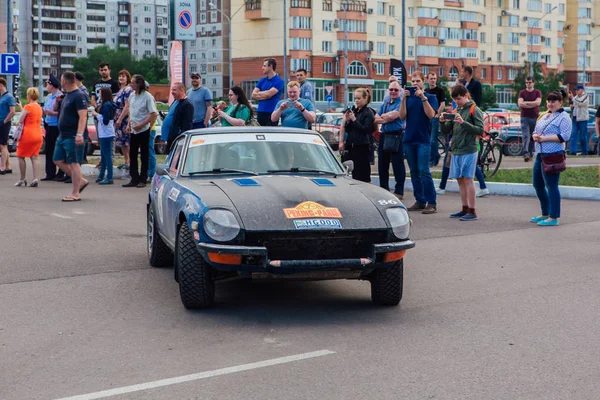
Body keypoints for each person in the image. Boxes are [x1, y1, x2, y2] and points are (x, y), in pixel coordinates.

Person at [440, 85, 484, 221]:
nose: (457, 101)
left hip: (469, 149)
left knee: (468, 179)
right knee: (460, 180)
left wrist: (463, 122)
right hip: (457, 149)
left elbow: (480, 130)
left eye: (459, 98)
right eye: (455, 99)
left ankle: (472, 210)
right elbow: (447, 130)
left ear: (466, 95)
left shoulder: (474, 109)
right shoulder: (456, 109)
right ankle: (464, 208)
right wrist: (442, 122)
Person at [399, 71, 439, 214]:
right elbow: (401, 116)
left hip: (423, 140)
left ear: (423, 82)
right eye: (413, 81)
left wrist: (423, 97)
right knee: (414, 172)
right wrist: (403, 99)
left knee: (424, 171)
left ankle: (432, 202)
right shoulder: (408, 98)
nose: (415, 84)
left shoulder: (430, 97)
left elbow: (431, 115)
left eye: (418, 81)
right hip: (409, 139)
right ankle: (420, 200)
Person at [530, 91, 571, 226]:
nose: (550, 104)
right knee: (538, 184)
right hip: (540, 154)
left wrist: (544, 139)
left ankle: (554, 217)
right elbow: (536, 129)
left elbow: (563, 137)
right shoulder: (545, 115)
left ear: (560, 102)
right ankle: (545, 213)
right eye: (548, 101)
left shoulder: (564, 117)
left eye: (553, 101)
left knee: (551, 186)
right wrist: (535, 136)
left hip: (553, 155)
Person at [53, 71, 89, 202]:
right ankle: (81, 181)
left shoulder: (79, 95)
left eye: (61, 80)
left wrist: (79, 134)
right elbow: (57, 110)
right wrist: (58, 102)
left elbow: (83, 116)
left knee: (74, 163)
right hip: (62, 135)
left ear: (64, 82)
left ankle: (75, 193)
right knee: (58, 160)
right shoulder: (67, 95)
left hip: (73, 135)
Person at [123, 74, 157, 188]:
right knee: (132, 154)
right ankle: (134, 178)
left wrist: (142, 124)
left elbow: (153, 113)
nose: (131, 84)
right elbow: (130, 111)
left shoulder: (147, 97)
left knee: (144, 154)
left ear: (139, 84)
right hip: (133, 129)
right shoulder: (132, 96)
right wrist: (128, 124)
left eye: (133, 82)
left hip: (143, 129)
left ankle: (143, 178)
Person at [374, 80, 405, 199]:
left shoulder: (401, 103)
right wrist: (386, 117)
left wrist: (384, 117)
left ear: (400, 91)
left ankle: (399, 191)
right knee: (382, 165)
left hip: (397, 135)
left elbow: (394, 115)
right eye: (391, 89)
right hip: (384, 135)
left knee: (398, 166)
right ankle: (384, 189)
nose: (393, 92)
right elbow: (376, 119)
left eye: (396, 90)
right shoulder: (385, 103)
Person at [338, 88, 375, 182]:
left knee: (363, 173)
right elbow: (350, 130)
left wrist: (354, 120)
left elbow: (366, 129)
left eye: (359, 98)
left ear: (365, 98)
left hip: (362, 146)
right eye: (355, 98)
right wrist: (348, 121)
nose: (356, 101)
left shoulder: (368, 112)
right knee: (354, 172)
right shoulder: (355, 111)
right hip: (352, 146)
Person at [14, 88, 44, 187]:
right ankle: (35, 178)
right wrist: (22, 108)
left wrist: (16, 122)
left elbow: (21, 119)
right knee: (34, 157)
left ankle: (22, 179)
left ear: (29, 96)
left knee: (20, 156)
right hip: (38, 133)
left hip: (27, 134)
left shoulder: (28, 106)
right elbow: (31, 116)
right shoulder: (39, 107)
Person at [92, 87, 116, 185]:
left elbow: (105, 121)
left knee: (107, 155)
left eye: (100, 93)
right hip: (106, 132)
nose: (99, 95)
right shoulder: (109, 104)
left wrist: (96, 114)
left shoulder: (106, 105)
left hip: (106, 133)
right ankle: (102, 175)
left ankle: (109, 177)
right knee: (104, 155)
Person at [41, 75, 62, 181]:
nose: (46, 86)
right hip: (48, 124)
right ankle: (50, 173)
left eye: (47, 84)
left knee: (58, 149)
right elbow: (45, 109)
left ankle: (61, 173)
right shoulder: (49, 97)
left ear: (52, 85)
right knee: (49, 149)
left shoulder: (60, 96)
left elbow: (62, 112)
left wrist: (53, 113)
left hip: (57, 126)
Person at [252, 58, 285, 126]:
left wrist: (260, 94)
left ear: (270, 67)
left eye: (264, 66)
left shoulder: (279, 81)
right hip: (260, 112)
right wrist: (265, 95)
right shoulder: (262, 80)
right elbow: (253, 94)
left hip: (272, 112)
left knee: (271, 134)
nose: (262, 68)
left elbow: (269, 94)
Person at [163, 82, 194, 151]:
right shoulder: (176, 102)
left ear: (182, 90)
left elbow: (187, 124)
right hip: (171, 137)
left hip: (178, 138)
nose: (172, 92)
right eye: (172, 90)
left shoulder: (187, 105)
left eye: (174, 90)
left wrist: (180, 137)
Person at [518, 76, 542, 162]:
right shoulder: (522, 92)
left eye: (530, 82)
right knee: (525, 135)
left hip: (535, 117)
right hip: (524, 117)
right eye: (527, 82)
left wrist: (526, 103)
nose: (528, 84)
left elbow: (538, 103)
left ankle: (531, 153)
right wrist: (532, 104)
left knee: (533, 136)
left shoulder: (537, 92)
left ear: (533, 83)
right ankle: (525, 153)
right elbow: (520, 104)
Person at [426, 72, 446, 167]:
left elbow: (443, 104)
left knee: (433, 140)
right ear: (427, 79)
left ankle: (432, 160)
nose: (433, 80)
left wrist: (437, 114)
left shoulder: (440, 90)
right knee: (427, 138)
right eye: (431, 78)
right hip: (427, 118)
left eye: (434, 78)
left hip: (435, 118)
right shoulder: (426, 91)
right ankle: (436, 155)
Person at [114, 70, 134, 170]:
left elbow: (127, 106)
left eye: (123, 76)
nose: (121, 78)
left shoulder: (127, 90)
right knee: (122, 142)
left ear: (127, 78)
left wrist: (120, 119)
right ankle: (126, 161)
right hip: (117, 119)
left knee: (126, 141)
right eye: (120, 76)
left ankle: (129, 162)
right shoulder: (120, 90)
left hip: (124, 119)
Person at [0, 77, 16, 175]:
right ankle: (8, 166)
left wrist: (5, 121)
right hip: (2, 122)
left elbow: (13, 111)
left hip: (4, 123)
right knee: (3, 145)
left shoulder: (9, 97)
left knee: (3, 145)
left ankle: (2, 167)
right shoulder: (2, 97)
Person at [569, 85, 589, 156]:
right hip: (575, 118)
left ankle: (585, 151)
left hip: (582, 119)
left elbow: (581, 103)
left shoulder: (585, 96)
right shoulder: (576, 97)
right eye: (575, 90)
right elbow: (575, 105)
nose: (576, 91)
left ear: (582, 90)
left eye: (578, 90)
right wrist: (572, 107)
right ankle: (573, 151)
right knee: (573, 135)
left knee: (583, 136)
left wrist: (572, 98)